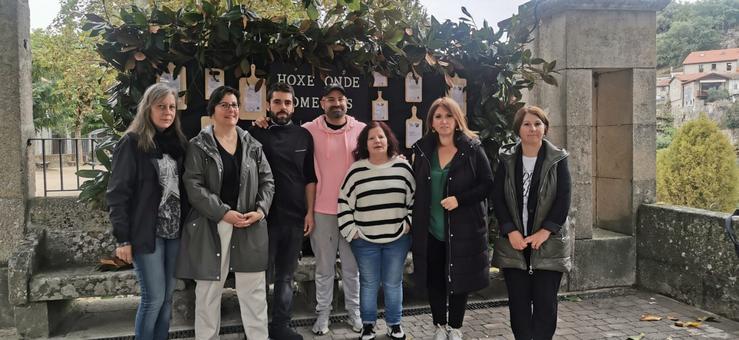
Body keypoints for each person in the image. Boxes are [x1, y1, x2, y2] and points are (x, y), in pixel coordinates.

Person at [254, 83, 365, 335]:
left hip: (350, 212)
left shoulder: (360, 129)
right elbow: (310, 178)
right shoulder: (308, 130)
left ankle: (354, 313)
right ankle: (320, 316)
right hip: (310, 212)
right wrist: (312, 212)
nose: (336, 103)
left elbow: (381, 151)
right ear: (321, 103)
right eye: (330, 99)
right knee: (321, 270)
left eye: (340, 98)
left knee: (351, 268)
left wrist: (398, 158)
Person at [175, 86, 274, 340]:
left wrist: (260, 211)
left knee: (253, 292)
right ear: (213, 112)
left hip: (249, 223)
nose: (231, 110)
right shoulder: (199, 145)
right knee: (208, 291)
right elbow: (193, 186)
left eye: (234, 105)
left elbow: (268, 182)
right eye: (225, 105)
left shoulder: (252, 144)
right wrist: (222, 212)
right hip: (212, 225)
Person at [107, 83, 189, 340]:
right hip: (146, 234)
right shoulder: (132, 143)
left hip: (174, 233)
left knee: (166, 299)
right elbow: (118, 193)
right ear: (148, 108)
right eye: (161, 106)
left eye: (172, 107)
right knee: (153, 298)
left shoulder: (178, 145)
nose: (167, 112)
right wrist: (123, 238)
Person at [410, 97, 493, 340]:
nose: (444, 121)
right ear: (431, 122)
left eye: (448, 116)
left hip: (462, 228)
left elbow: (487, 184)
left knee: (459, 278)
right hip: (431, 228)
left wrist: (460, 199)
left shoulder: (472, 148)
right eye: (438, 117)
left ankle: (455, 328)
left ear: (457, 120)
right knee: (435, 278)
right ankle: (439, 326)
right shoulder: (422, 149)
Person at [491, 106, 572, 340]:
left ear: (545, 127)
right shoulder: (506, 159)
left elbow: (563, 199)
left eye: (537, 123)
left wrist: (545, 232)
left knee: (546, 306)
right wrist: (510, 230)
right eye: (527, 124)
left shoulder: (558, 159)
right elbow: (498, 197)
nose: (532, 128)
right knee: (519, 307)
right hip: (514, 244)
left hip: (547, 245)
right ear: (518, 129)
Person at [248, 82, 317, 340]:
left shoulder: (304, 136)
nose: (282, 107)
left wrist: (310, 212)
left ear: (293, 105)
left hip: (294, 218)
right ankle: (256, 329)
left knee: (286, 278)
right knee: (259, 279)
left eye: (287, 102)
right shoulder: (255, 134)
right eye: (277, 102)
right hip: (262, 219)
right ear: (268, 105)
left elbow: (310, 178)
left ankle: (281, 327)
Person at [338, 122, 414, 340]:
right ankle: (368, 325)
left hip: (397, 239)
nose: (377, 141)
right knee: (369, 283)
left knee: (393, 282)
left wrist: (408, 223)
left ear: (388, 140)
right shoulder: (356, 170)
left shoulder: (402, 168)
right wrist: (351, 232)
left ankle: (394, 324)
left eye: (381, 137)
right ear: (365, 144)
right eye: (371, 138)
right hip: (364, 241)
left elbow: (415, 200)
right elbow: (343, 202)